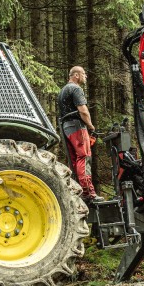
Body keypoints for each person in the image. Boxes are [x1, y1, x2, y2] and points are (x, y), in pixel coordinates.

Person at [57, 66, 103, 202]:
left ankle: (77, 189)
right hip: (77, 126)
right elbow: (83, 111)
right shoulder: (76, 89)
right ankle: (88, 193)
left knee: (75, 160)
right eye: (84, 74)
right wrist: (90, 125)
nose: (86, 76)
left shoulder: (63, 91)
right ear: (76, 75)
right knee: (84, 156)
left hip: (66, 127)